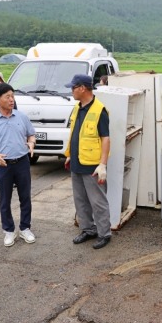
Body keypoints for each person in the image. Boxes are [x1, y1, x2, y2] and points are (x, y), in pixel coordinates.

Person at [0, 82, 36, 247]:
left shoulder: (21, 116)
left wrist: (31, 144)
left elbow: (31, 135)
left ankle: (25, 228)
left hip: (22, 162)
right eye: (8, 97)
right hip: (2, 165)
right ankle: (9, 231)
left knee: (25, 197)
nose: (11, 100)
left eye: (12, 96)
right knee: (4, 200)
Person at [65, 74, 112, 250]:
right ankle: (87, 229)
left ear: (82, 88)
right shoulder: (77, 108)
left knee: (98, 201)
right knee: (80, 200)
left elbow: (105, 138)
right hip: (77, 162)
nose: (71, 91)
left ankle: (104, 233)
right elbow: (76, 133)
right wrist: (70, 154)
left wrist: (103, 164)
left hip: (92, 165)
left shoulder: (100, 110)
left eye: (73, 88)